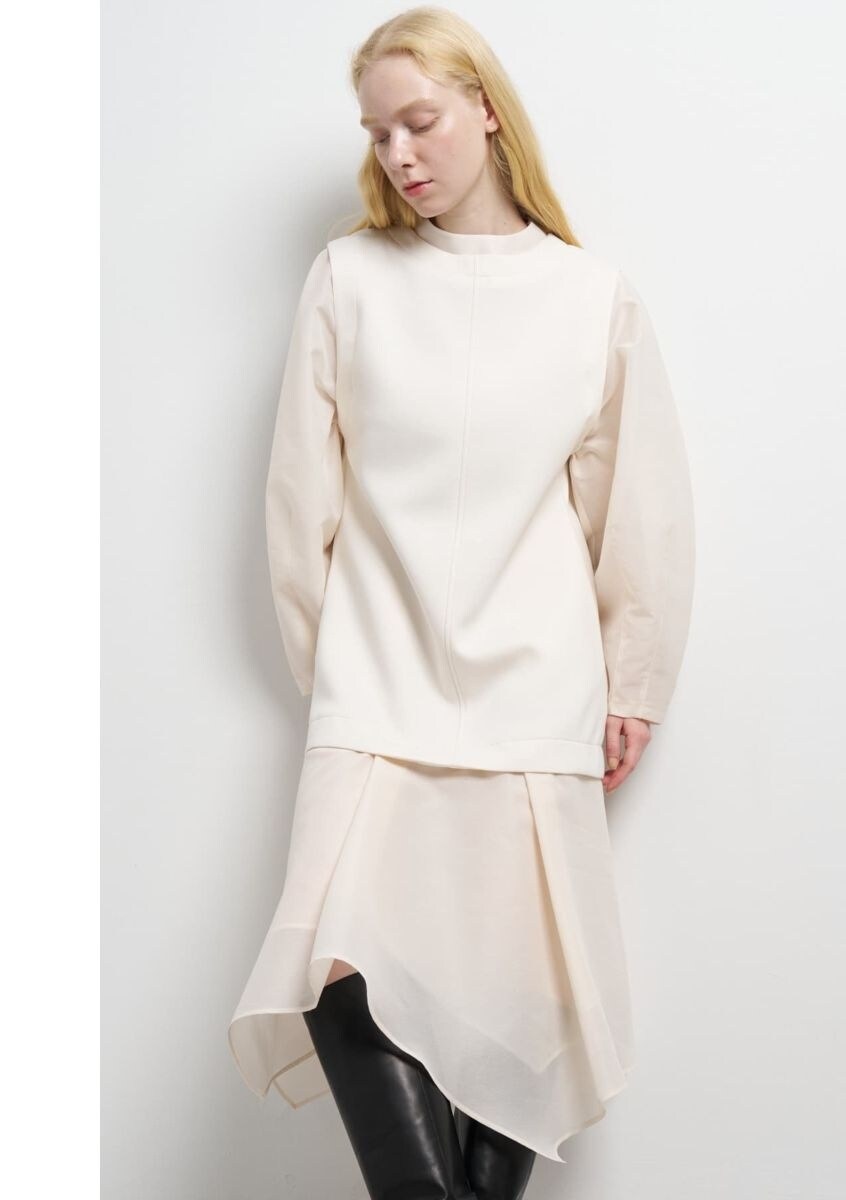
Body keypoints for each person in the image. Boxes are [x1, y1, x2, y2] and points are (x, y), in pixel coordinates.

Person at [227, 7, 695, 1198]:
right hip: (376, 694)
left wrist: (634, 684)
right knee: (336, 963)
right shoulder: (349, 279)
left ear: (487, 109)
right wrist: (339, 672)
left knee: (527, 991)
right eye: (377, 132)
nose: (399, 153)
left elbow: (637, 511)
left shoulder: (591, 295)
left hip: (537, 699)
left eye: (419, 121)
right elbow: (297, 508)